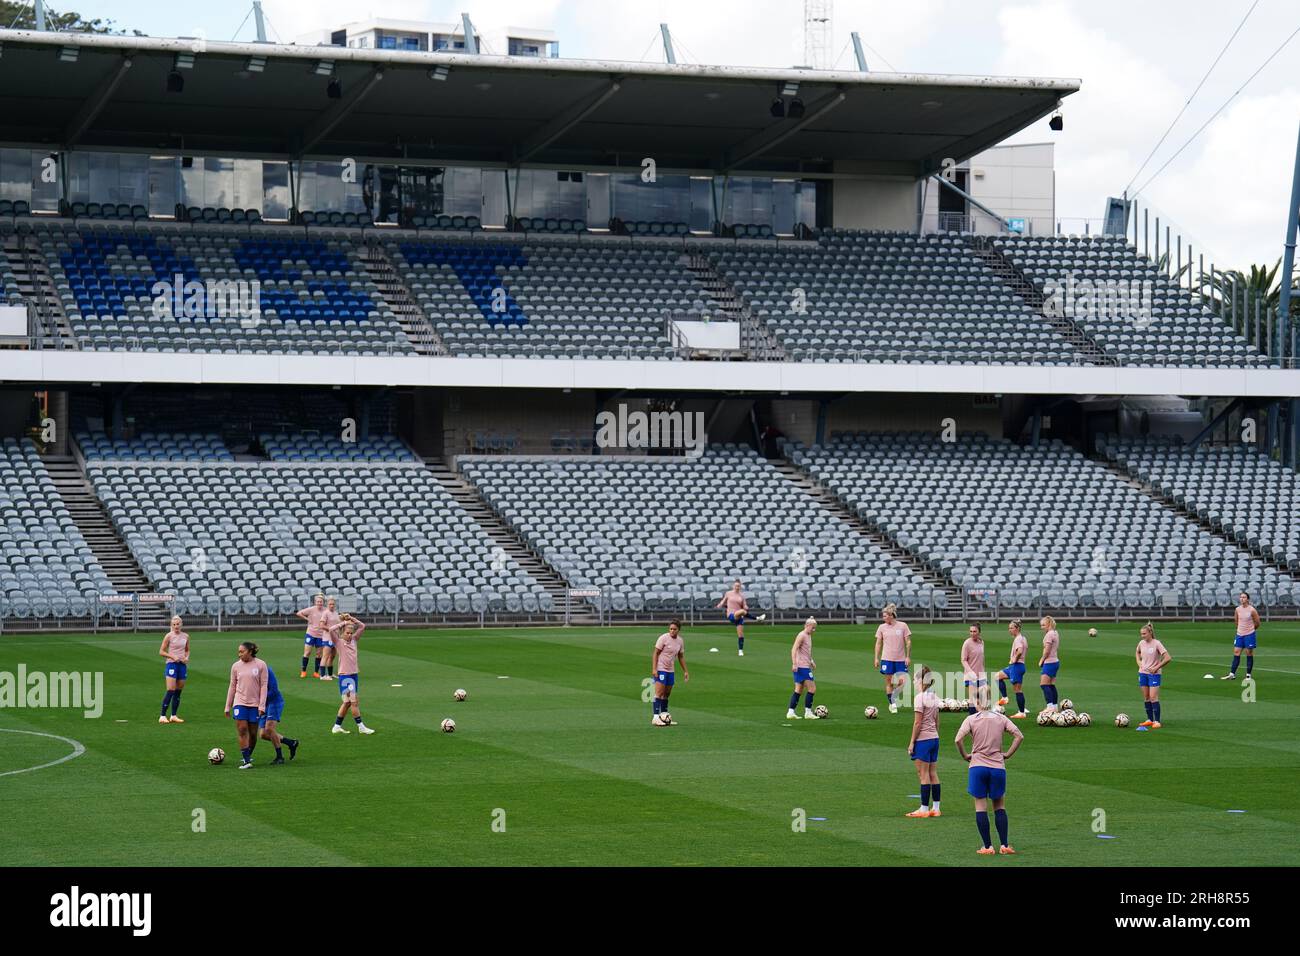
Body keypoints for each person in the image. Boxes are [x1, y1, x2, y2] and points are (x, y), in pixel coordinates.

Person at [954, 686, 1024, 855]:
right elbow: (1019, 736)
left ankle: (987, 846)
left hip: (977, 766)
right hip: (998, 767)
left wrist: (965, 756)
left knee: (980, 807)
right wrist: (1007, 754)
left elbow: (958, 740)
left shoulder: (971, 719)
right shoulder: (1000, 718)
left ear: (978, 702)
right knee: (999, 806)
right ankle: (1005, 845)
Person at [224, 641, 269, 770]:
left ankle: (248, 755)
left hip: (255, 704)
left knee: (253, 734)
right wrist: (228, 706)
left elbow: (264, 686)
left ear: (250, 652)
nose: (239, 654)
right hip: (240, 702)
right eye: (238, 652)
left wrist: (262, 706)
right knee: (242, 729)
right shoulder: (236, 666)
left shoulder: (261, 665)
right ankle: (246, 761)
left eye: (242, 651)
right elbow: (232, 686)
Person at [905, 664, 942, 818]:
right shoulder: (934, 697)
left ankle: (924, 809)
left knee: (923, 774)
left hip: (924, 740)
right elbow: (937, 721)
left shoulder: (920, 698)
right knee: (933, 773)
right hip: (934, 738)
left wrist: (912, 742)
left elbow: (917, 723)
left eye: (915, 679)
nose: (913, 682)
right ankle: (936, 808)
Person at [328, 614, 375, 735]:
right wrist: (343, 623)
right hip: (346, 676)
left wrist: (351, 619)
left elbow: (362, 626)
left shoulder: (354, 640)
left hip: (354, 675)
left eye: (351, 633)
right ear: (342, 633)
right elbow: (331, 630)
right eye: (347, 633)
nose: (349, 635)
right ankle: (361, 727)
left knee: (347, 702)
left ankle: (337, 726)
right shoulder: (338, 642)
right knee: (354, 701)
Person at [873, 603, 912, 714]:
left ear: (891, 615)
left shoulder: (903, 626)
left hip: (900, 659)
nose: (883, 618)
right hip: (887, 659)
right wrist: (876, 658)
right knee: (889, 682)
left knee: (902, 682)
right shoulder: (881, 627)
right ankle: (892, 704)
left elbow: (908, 642)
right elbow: (878, 644)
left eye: (885, 616)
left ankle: (893, 696)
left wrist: (908, 657)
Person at [257, 662, 299, 764]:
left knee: (269, 729)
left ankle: (279, 757)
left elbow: (274, 690)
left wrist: (261, 698)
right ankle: (291, 743)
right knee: (263, 734)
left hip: (274, 702)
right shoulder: (249, 673)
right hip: (263, 704)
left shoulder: (267, 671)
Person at [650, 619, 689, 725]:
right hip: (661, 668)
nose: (672, 631)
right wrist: (654, 669)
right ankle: (655, 717)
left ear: (678, 630)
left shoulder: (680, 641)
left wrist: (685, 671)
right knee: (659, 692)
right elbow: (655, 653)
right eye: (671, 629)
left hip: (670, 670)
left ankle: (664, 716)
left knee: (667, 694)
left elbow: (680, 656)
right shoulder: (663, 638)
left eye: (674, 629)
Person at [1136, 623, 1172, 731]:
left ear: (1150, 633)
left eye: (1144, 634)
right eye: (1141, 634)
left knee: (1153, 697)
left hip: (1154, 674)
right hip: (1143, 673)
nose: (1142, 636)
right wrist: (1139, 663)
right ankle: (1149, 719)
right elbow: (1137, 652)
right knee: (1146, 697)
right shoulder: (1141, 643)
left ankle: (1157, 721)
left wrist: (1156, 667)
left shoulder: (1157, 643)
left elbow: (1168, 658)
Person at [995, 619, 1030, 719]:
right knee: (997, 676)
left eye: (1011, 628)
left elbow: (1020, 651)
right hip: (1014, 666)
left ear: (1017, 628)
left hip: (1017, 666)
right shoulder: (1023, 638)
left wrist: (1014, 659)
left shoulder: (1018, 639)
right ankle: (1005, 698)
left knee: (1017, 690)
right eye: (1009, 628)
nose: (1009, 630)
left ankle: (1022, 712)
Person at [716, 580, 762, 656]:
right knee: (742, 612)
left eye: (738, 586)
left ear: (740, 587)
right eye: (736, 585)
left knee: (740, 635)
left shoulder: (742, 596)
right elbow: (723, 601)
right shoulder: (728, 593)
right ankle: (757, 618)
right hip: (731, 614)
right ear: (733, 586)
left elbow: (745, 606)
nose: (737, 587)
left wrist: (746, 607)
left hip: (739, 615)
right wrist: (720, 605)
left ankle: (740, 650)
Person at [158, 615, 190, 724]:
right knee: (170, 689)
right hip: (171, 664)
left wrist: (186, 658)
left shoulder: (186, 636)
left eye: (178, 624)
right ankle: (162, 716)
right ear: (171, 625)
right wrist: (172, 657)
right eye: (174, 624)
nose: (176, 626)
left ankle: (173, 715)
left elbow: (187, 650)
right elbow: (161, 651)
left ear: (181, 624)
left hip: (182, 665)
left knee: (178, 691)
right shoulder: (169, 636)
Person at [1222, 591, 1259, 682]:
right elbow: (1236, 621)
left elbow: (1257, 622)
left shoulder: (1252, 610)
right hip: (1240, 634)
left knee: (1249, 653)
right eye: (1241, 597)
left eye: (1244, 597)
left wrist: (1250, 630)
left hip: (1249, 634)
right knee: (1236, 652)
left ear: (1248, 599)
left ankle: (1248, 675)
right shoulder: (1237, 609)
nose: (1242, 599)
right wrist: (1240, 629)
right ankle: (1232, 674)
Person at [787, 617, 819, 719]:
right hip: (802, 667)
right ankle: (808, 712)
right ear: (807, 626)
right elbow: (794, 649)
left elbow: (805, 651)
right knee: (812, 688)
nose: (814, 630)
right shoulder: (802, 635)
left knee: (798, 690)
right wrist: (794, 663)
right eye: (812, 628)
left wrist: (811, 661)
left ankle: (791, 712)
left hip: (804, 665)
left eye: (815, 628)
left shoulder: (808, 635)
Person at [297, 594, 329, 678]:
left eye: (321, 602)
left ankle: (316, 672)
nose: (319, 603)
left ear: (323, 602)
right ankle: (303, 671)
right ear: (315, 602)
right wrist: (307, 619)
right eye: (318, 602)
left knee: (318, 654)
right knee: (307, 652)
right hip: (311, 634)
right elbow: (299, 613)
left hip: (321, 635)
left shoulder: (326, 610)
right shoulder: (311, 609)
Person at [960, 623, 986, 715]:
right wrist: (971, 672)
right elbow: (963, 660)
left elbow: (982, 659)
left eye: (974, 631)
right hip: (970, 676)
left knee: (983, 697)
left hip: (981, 675)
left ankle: (980, 718)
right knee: (973, 699)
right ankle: (972, 720)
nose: (972, 633)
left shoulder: (981, 642)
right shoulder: (967, 643)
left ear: (979, 632)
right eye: (971, 631)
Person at [1037, 615, 1062, 712]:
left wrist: (1042, 660)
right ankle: (1054, 706)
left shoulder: (1049, 635)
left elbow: (1047, 650)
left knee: (1043, 684)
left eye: (1043, 625)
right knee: (1051, 684)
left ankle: (1050, 706)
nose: (1041, 627)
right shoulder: (1055, 633)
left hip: (1049, 662)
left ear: (1049, 624)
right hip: (1055, 661)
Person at [318, 596, 341, 680]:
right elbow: (321, 625)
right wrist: (330, 629)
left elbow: (338, 624)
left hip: (336, 638)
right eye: (330, 604)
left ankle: (330, 674)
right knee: (325, 656)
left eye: (333, 604)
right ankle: (322, 675)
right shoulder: (325, 613)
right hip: (328, 637)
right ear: (327, 605)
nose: (332, 605)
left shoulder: (336, 613)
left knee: (332, 656)